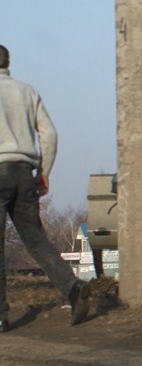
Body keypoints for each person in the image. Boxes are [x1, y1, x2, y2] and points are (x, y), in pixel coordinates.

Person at [0, 44, 92, 331]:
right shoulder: (27, 91)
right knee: (36, 240)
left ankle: (1, 315)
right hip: (24, 173)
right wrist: (44, 172)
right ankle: (73, 288)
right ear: (8, 63)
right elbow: (49, 133)